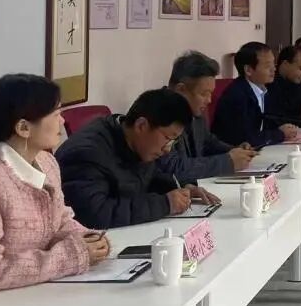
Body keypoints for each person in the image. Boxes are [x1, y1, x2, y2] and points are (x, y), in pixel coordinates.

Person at [0, 75, 109, 297]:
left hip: (34, 296)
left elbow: (59, 220)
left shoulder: (47, 162)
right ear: (24, 127)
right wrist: (69, 257)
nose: (62, 121)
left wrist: (89, 239)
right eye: (56, 114)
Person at [57, 88, 220, 229]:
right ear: (141, 125)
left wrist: (179, 188)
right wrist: (165, 204)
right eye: (167, 138)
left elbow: (142, 178)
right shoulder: (87, 153)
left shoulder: (135, 141)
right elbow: (94, 214)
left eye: (174, 141)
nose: (167, 149)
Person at [157, 51, 257, 181]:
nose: (209, 100)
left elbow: (208, 142)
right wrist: (227, 162)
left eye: (210, 93)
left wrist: (236, 151)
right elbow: (173, 169)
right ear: (181, 90)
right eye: (204, 94)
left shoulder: (194, 112)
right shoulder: (158, 115)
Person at [211, 42, 299, 146]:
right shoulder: (237, 96)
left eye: (273, 64)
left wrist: (285, 128)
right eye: (268, 66)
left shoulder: (264, 90)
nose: (274, 69)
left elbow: (269, 122)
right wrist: (280, 134)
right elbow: (247, 138)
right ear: (248, 70)